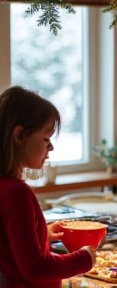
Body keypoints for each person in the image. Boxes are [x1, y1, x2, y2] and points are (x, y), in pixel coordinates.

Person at [0, 86, 95, 288]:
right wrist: (83, 259)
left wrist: (41, 233)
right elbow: (35, 268)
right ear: (19, 136)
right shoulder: (16, 193)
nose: (50, 147)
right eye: (46, 138)